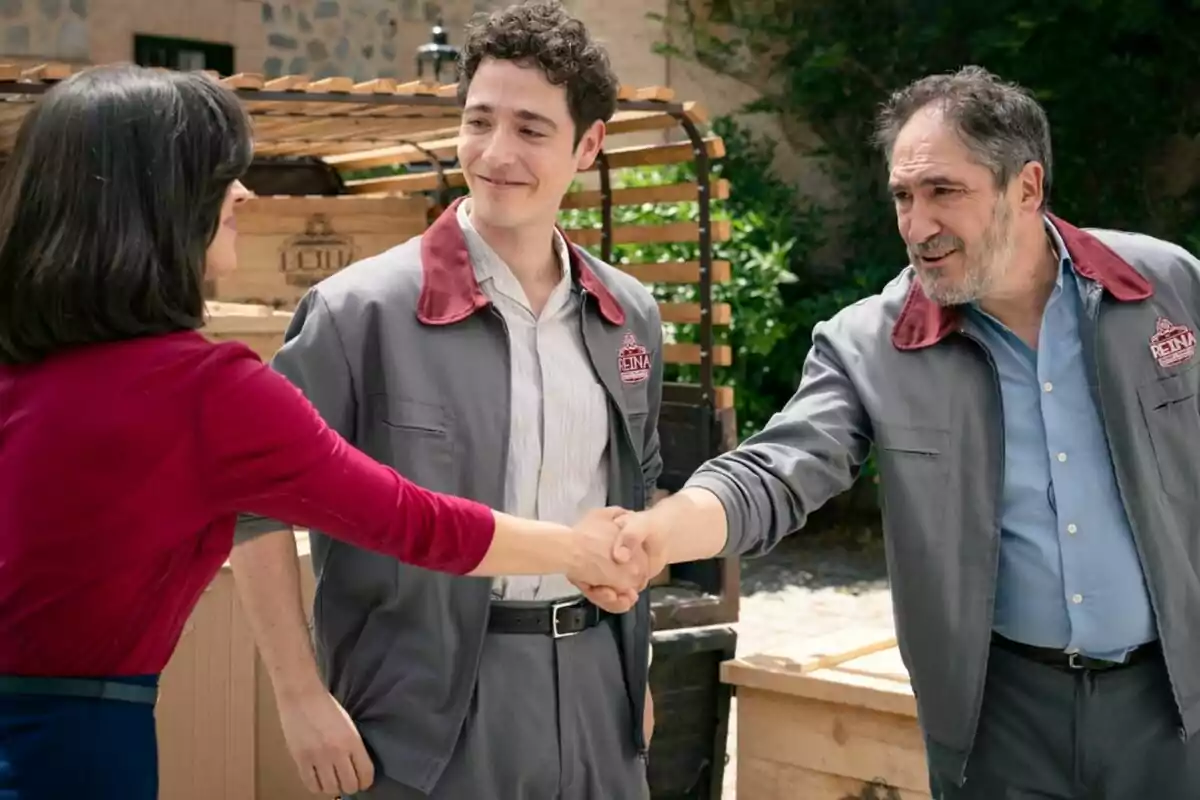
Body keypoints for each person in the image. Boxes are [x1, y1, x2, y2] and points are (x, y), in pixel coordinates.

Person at [0, 63, 650, 800]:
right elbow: (410, 520)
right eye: (221, 174)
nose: (244, 192)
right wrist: (580, 549)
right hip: (72, 750)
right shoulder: (209, 392)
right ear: (157, 202)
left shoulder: (28, 368)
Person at [613, 66, 1200, 798]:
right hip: (999, 719)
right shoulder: (870, 343)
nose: (917, 226)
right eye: (903, 196)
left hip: (1175, 705)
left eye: (943, 192)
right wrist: (660, 533)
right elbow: (777, 470)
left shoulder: (1163, 287)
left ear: (1026, 187)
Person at [229, 3, 663, 798]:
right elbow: (256, 506)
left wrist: (639, 666)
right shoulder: (355, 313)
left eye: (532, 129)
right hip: (421, 716)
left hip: (601, 691)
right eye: (479, 121)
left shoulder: (628, 312)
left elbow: (635, 499)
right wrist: (297, 695)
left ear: (589, 145)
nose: (497, 154)